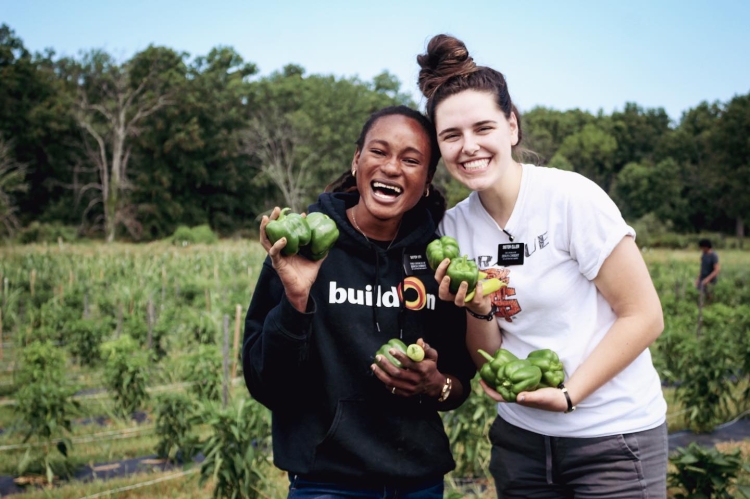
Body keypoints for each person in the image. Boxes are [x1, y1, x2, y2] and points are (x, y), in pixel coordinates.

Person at [416, 34, 668, 498]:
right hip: (522, 442)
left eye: (482, 128)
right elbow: (488, 350)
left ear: (511, 125)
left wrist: (571, 395)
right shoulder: (455, 229)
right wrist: (478, 309)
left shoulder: (570, 199)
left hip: (613, 436)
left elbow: (644, 315)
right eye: (451, 136)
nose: (468, 147)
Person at [242, 105, 476, 499]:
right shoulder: (304, 251)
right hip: (326, 483)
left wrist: (435, 384)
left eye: (411, 159)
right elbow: (266, 383)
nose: (391, 167)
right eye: (379, 152)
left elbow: (459, 386)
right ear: (357, 161)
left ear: (426, 178)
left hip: (419, 482)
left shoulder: (439, 260)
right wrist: (296, 300)